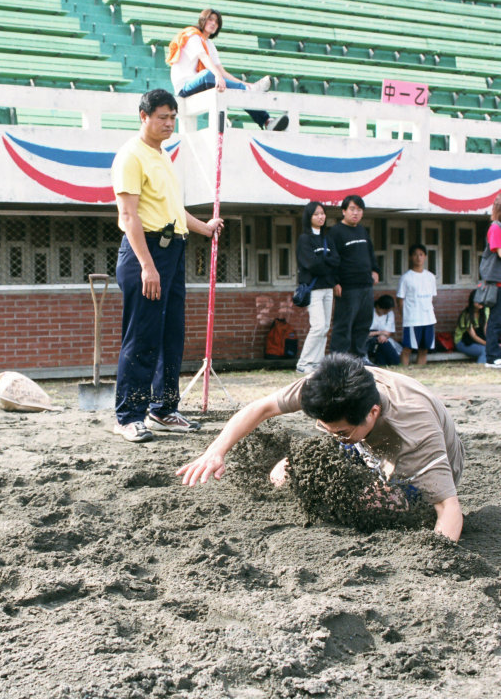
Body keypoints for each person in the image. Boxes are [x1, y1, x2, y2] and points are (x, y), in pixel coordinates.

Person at [177, 353, 464, 542]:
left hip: (410, 464)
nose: (333, 436)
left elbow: (449, 509)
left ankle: (381, 485)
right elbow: (261, 407)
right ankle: (354, 450)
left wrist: (436, 556)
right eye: (326, 429)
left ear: (372, 413)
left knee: (371, 504)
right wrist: (215, 451)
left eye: (340, 432)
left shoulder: (416, 431)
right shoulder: (328, 386)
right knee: (286, 474)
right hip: (367, 441)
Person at [111, 88, 224, 442]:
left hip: (172, 252)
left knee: (172, 335)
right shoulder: (131, 156)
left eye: (173, 117)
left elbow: (173, 210)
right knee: (142, 336)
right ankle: (128, 416)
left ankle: (163, 408)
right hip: (145, 252)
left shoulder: (163, 156)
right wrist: (147, 266)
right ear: (143, 116)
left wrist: (204, 228)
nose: (169, 123)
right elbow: (129, 216)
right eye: (162, 117)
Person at [166, 8, 289, 132]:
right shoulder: (192, 35)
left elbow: (222, 71)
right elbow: (203, 57)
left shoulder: (209, 44)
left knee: (236, 91)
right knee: (209, 75)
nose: (214, 23)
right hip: (185, 87)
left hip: (201, 83)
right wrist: (218, 76)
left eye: (217, 22)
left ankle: (267, 121)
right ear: (203, 20)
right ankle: (249, 91)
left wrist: (244, 84)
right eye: (210, 19)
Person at [328, 195, 379, 359]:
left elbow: (370, 253)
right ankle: (338, 360)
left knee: (363, 324)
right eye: (352, 209)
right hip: (347, 287)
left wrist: (375, 270)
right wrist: (335, 282)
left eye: (359, 210)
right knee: (343, 325)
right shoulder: (335, 232)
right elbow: (331, 259)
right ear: (344, 211)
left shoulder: (362, 230)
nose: (355, 213)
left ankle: (360, 357)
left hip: (366, 285)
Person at [295, 201, 339, 374]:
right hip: (313, 289)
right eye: (316, 214)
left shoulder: (327, 237)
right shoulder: (304, 239)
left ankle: (317, 364)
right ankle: (304, 363)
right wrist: (326, 262)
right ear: (309, 217)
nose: (321, 217)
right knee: (318, 326)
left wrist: (323, 261)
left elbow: (336, 260)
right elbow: (311, 264)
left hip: (328, 288)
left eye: (322, 213)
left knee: (325, 327)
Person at [397, 243, 437, 366]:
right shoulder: (406, 277)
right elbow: (400, 299)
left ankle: (420, 373)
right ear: (410, 257)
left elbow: (432, 298)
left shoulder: (430, 276)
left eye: (421, 254)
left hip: (428, 318)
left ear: (425, 257)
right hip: (412, 319)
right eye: (415, 255)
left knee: (424, 349)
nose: (418, 258)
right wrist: (405, 316)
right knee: (408, 348)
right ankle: (403, 372)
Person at [484, 192, 501, 368]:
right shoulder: (496, 227)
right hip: (497, 284)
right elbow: (499, 251)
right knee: (495, 320)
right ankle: (492, 357)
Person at [453, 291, 489, 364]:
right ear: (472, 301)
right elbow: (473, 336)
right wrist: (488, 344)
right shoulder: (467, 315)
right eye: (478, 300)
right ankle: (481, 370)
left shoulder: (486, 310)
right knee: (485, 350)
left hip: (479, 339)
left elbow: (486, 330)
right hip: (463, 342)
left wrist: (492, 342)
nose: (481, 302)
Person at [366, 294, 402, 366]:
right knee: (383, 343)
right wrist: (379, 333)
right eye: (384, 310)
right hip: (368, 340)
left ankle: (382, 364)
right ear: (378, 307)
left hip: (382, 339)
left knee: (383, 343)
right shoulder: (369, 312)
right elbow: (363, 333)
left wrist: (383, 335)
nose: (386, 312)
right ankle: (396, 363)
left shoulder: (389, 314)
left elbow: (389, 331)